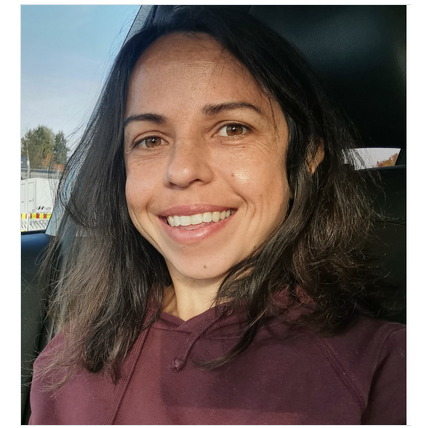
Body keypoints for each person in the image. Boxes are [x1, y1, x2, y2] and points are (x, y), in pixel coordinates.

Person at [29, 6, 405, 425]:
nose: (182, 170)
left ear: (305, 156)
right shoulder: (64, 361)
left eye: (232, 129)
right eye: (150, 139)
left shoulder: (388, 371)